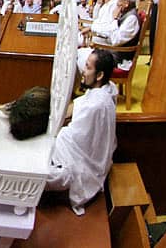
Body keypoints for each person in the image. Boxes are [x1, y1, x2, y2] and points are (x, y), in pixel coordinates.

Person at [46, 49, 117, 215]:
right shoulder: (108, 89)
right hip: (92, 156)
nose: (83, 72)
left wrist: (56, 133)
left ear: (99, 75)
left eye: (87, 67)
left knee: (47, 173)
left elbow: (75, 140)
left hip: (86, 166)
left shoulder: (95, 105)